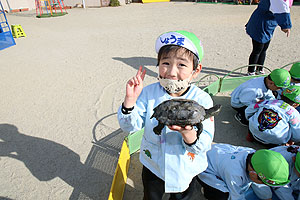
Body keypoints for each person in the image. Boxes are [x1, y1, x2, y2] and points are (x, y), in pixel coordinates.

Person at [118, 30, 215, 200]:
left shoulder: (203, 100)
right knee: (151, 195)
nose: (171, 71)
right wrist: (129, 102)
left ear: (196, 69)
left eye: (182, 65)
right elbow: (130, 126)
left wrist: (188, 134)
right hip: (154, 164)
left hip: (186, 167)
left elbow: (204, 144)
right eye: (165, 63)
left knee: (181, 196)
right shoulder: (148, 93)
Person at [197, 143, 290, 200]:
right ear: (253, 174)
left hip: (216, 153)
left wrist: (267, 198)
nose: (265, 185)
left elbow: (258, 184)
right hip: (205, 169)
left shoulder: (253, 156)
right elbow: (235, 196)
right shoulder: (235, 173)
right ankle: (207, 191)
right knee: (223, 195)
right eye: (264, 183)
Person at [245, 0, 293, 76]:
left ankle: (260, 68)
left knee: (264, 49)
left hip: (269, 23)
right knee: (257, 49)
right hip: (261, 22)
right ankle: (251, 71)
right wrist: (286, 25)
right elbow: (281, 8)